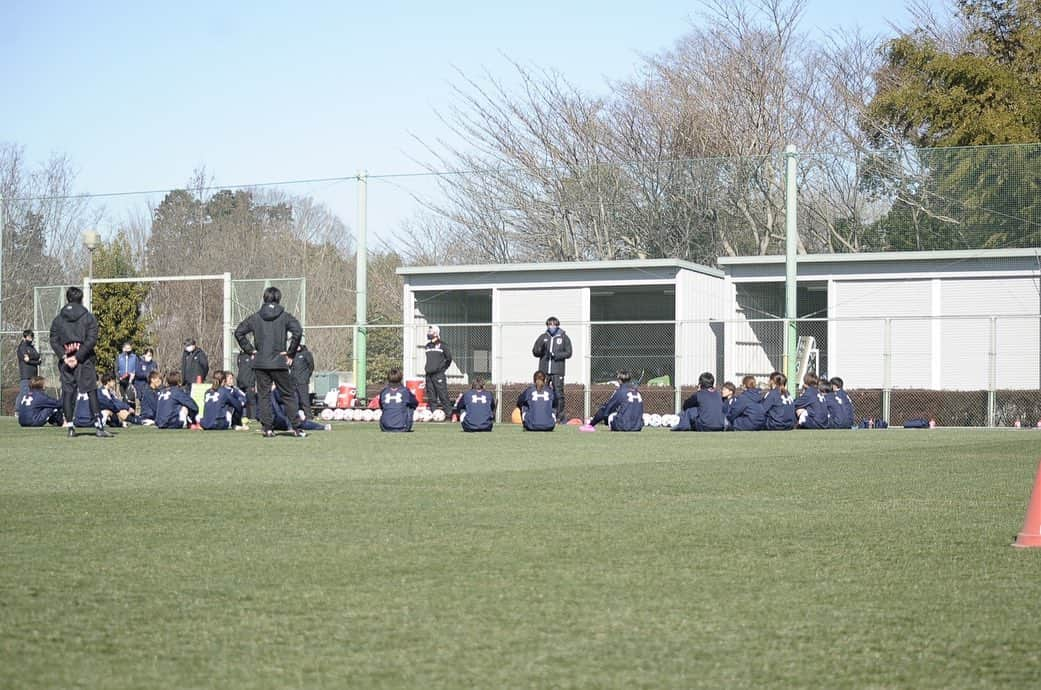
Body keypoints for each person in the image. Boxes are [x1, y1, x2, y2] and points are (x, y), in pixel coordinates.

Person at [234, 286, 306, 438]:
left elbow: (239, 332)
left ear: (264, 299)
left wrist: (250, 350)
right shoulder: (285, 316)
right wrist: (290, 352)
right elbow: (298, 331)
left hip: (261, 362)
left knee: (264, 395)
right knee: (288, 394)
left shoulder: (255, 317)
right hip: (279, 362)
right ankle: (296, 428)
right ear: (279, 299)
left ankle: (267, 428)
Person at [49, 286, 112, 438]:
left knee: (68, 393)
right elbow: (91, 339)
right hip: (85, 361)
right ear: (81, 299)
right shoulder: (88, 317)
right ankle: (98, 426)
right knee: (91, 391)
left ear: (68, 299)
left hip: (66, 362)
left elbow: (53, 340)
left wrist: (65, 356)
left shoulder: (58, 319)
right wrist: (78, 357)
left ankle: (70, 427)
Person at [532, 316, 572, 422]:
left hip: (557, 371)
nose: (552, 326)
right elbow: (535, 352)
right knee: (542, 392)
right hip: (544, 371)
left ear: (558, 325)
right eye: (550, 324)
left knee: (558, 393)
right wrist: (539, 349)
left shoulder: (564, 337)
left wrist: (555, 355)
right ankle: (542, 414)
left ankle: (559, 417)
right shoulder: (543, 337)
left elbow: (569, 353)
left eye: (554, 324)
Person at [423, 325, 453, 417]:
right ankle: (433, 414)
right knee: (431, 396)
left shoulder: (443, 345)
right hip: (429, 375)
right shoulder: (427, 346)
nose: (428, 333)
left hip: (438, 375)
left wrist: (442, 369)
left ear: (436, 333)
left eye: (430, 331)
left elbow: (449, 359)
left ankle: (449, 415)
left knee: (443, 395)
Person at [378, 368, 418, 432]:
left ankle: (388, 422)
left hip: (384, 427)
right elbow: (415, 403)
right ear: (401, 378)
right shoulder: (405, 391)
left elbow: (381, 406)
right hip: (403, 428)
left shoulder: (384, 391)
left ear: (388, 379)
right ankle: (403, 423)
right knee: (410, 405)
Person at [290, 341, 315, 420]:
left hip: (302, 381)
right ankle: (295, 416)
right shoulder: (292, 355)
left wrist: (306, 377)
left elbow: (311, 366)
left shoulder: (306, 354)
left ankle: (309, 416)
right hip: (293, 381)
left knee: (304, 400)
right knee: (294, 400)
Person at [17, 329, 41, 397]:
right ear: (24, 337)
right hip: (26, 377)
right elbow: (26, 360)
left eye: (32, 337)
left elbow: (38, 356)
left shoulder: (32, 347)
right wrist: (37, 362)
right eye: (29, 337)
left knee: (33, 397)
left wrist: (31, 357)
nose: (31, 338)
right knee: (26, 396)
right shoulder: (22, 347)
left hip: (34, 377)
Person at [236, 349, 258, 421]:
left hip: (249, 383)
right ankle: (243, 416)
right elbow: (239, 367)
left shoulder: (251, 356)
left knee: (251, 400)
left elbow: (254, 372)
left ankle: (253, 417)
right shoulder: (239, 356)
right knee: (241, 400)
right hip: (240, 383)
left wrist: (252, 384)